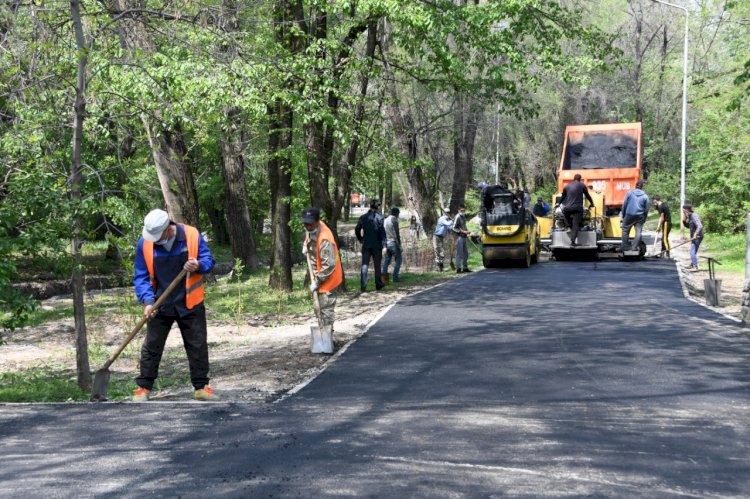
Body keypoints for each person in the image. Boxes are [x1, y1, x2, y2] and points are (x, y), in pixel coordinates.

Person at [132, 209, 216, 402]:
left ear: (168, 230)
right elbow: (141, 276)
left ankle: (201, 386)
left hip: (190, 302)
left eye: (157, 236)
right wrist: (147, 302)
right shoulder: (144, 244)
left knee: (197, 345)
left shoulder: (191, 235)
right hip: (160, 304)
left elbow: (209, 261)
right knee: (152, 346)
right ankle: (144, 387)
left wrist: (198, 266)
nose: (154, 240)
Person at [302, 207, 343, 335]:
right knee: (318, 307)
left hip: (329, 278)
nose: (307, 226)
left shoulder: (325, 238)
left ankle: (327, 337)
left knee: (325, 309)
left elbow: (329, 265)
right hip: (319, 276)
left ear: (317, 221)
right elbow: (309, 236)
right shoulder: (312, 229)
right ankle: (323, 333)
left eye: (310, 223)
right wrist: (306, 244)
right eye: (305, 223)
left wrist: (317, 281)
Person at [355, 200, 386, 292]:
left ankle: (363, 286)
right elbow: (382, 233)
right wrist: (384, 245)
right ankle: (378, 285)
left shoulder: (363, 217)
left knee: (365, 265)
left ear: (370, 206)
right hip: (377, 245)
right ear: (378, 207)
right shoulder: (380, 218)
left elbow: (357, 229)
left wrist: (360, 238)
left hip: (366, 244)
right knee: (377, 266)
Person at [557, 173, 595, 246]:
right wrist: (592, 203)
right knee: (575, 225)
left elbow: (563, 196)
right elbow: (587, 195)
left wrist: (558, 203)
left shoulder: (567, 186)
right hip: (577, 208)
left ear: (573, 179)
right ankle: (573, 241)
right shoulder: (582, 185)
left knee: (564, 213)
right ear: (580, 179)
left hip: (567, 208)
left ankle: (568, 226)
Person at [620, 180, 649, 252]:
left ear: (635, 186)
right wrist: (644, 217)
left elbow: (624, 205)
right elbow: (646, 209)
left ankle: (625, 247)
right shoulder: (645, 196)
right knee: (638, 232)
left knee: (625, 231)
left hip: (629, 215)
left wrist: (623, 215)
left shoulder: (630, 193)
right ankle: (634, 247)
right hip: (640, 216)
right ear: (642, 187)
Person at [381, 207, 402, 282]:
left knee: (386, 261)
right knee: (398, 260)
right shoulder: (394, 220)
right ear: (396, 214)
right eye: (398, 214)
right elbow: (397, 234)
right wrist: (399, 244)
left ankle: (384, 279)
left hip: (386, 244)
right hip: (393, 243)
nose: (398, 215)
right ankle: (395, 277)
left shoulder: (385, 220)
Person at [682, 203, 704, 272]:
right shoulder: (690, 216)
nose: (683, 211)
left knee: (692, 251)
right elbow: (689, 226)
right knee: (693, 251)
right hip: (694, 236)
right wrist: (684, 221)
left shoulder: (694, 216)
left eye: (683, 210)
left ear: (686, 209)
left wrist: (695, 234)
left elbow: (700, 226)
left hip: (698, 236)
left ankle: (695, 266)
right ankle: (692, 264)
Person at [452, 204, 472, 273]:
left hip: (464, 237)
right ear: (458, 210)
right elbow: (454, 228)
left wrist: (467, 231)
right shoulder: (457, 217)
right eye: (461, 210)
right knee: (459, 253)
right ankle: (458, 269)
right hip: (459, 237)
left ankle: (465, 268)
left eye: (464, 210)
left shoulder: (463, 217)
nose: (463, 211)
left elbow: (464, 226)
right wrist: (463, 231)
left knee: (465, 253)